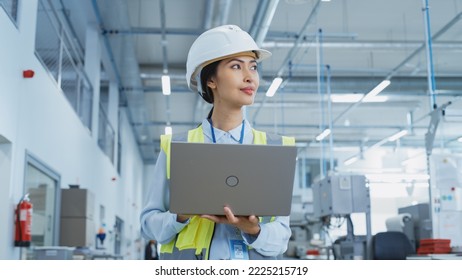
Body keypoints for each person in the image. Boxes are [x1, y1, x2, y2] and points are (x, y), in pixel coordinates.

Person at [140, 25, 295, 260]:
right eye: (236, 66)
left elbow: (282, 238)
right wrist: (180, 216)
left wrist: (254, 230)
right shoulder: (176, 147)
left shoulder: (274, 148)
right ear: (210, 79)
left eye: (253, 67)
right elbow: (148, 225)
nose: (249, 76)